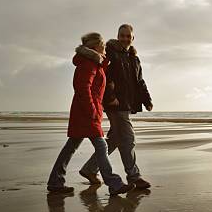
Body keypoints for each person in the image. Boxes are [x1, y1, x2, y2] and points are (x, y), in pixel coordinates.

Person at [47, 32, 134, 195]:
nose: (105, 48)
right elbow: (83, 89)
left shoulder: (95, 63)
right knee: (102, 146)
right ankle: (114, 183)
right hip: (86, 112)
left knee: (71, 146)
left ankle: (55, 181)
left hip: (86, 111)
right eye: (103, 45)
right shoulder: (88, 64)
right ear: (95, 47)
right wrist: (93, 111)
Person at [79, 24, 152, 190]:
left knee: (115, 140)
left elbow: (139, 81)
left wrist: (147, 100)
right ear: (118, 36)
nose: (125, 38)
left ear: (132, 38)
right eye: (122, 35)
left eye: (128, 36)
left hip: (126, 104)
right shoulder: (110, 53)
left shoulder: (134, 58)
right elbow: (104, 77)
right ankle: (134, 176)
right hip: (115, 104)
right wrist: (110, 98)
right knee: (128, 139)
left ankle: (89, 169)